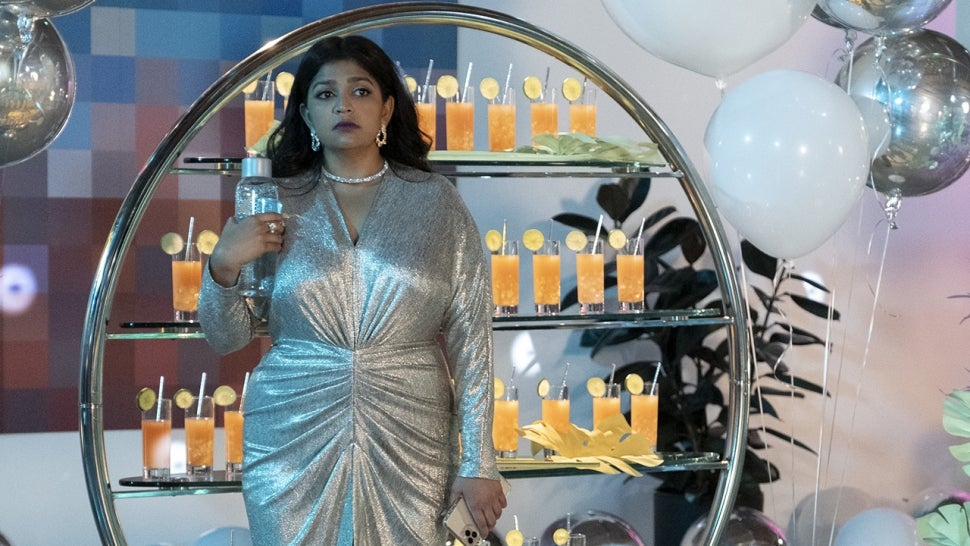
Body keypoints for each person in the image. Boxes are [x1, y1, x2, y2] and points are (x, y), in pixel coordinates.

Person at [199, 35, 506, 544]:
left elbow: (471, 337)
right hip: (290, 431)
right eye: (325, 94)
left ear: (387, 108)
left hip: (413, 431)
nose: (343, 105)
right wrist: (223, 265)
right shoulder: (271, 202)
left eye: (360, 91)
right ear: (306, 113)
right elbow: (226, 338)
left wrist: (479, 460)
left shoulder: (437, 204)